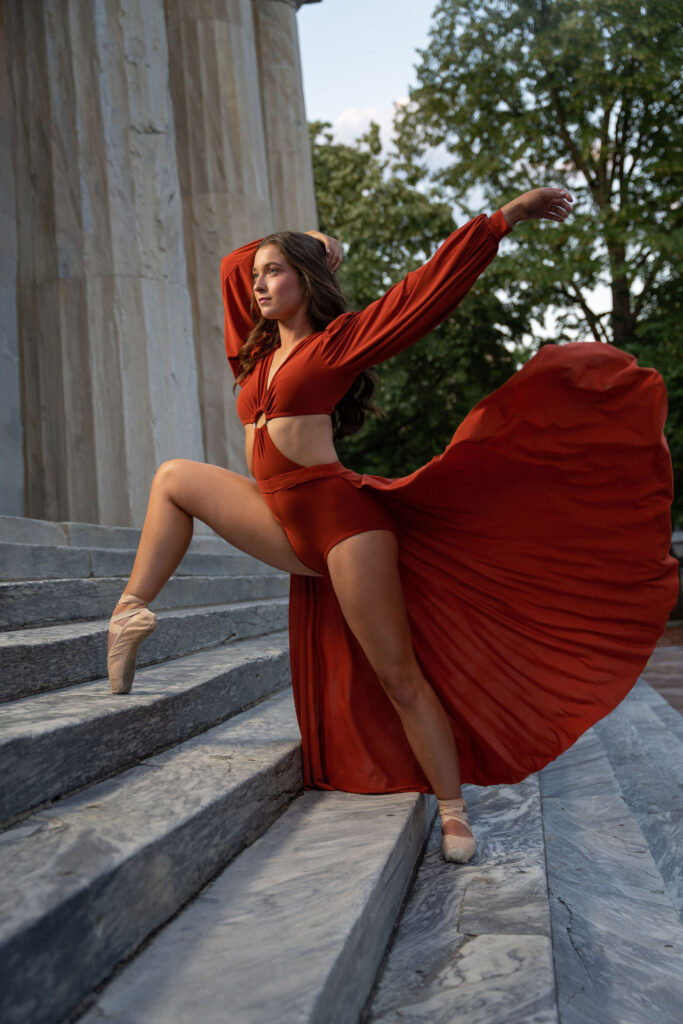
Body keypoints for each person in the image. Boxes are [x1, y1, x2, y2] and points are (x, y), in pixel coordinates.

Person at [107, 188, 678, 865]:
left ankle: (453, 811)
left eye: (276, 272)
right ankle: (130, 610)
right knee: (173, 478)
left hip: (346, 527)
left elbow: (424, 292)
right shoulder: (254, 360)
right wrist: (310, 244)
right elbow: (234, 265)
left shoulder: (337, 343)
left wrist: (502, 220)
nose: (259, 283)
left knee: (399, 676)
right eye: (258, 276)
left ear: (307, 283)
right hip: (282, 521)